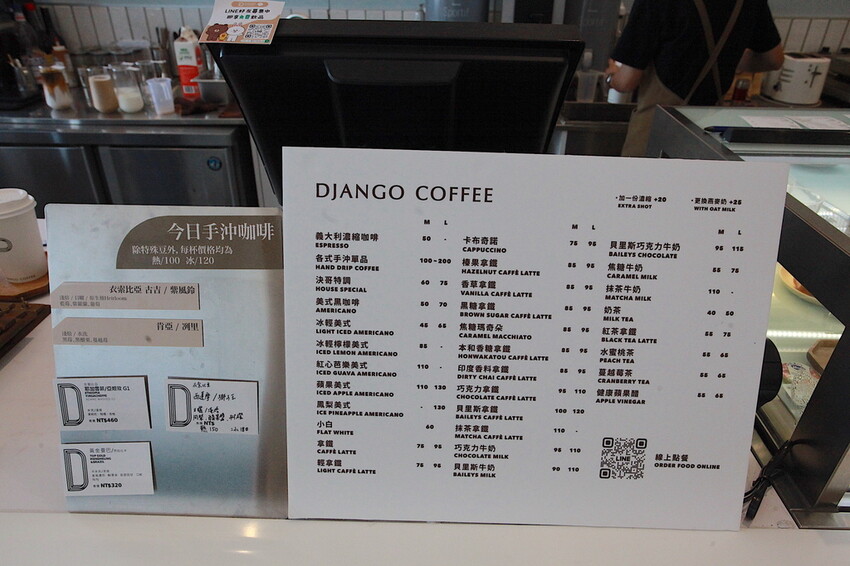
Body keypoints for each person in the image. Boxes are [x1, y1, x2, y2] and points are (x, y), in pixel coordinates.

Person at [606, 0, 784, 156]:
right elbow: (773, 60)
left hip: (657, 131)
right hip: (708, 132)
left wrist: (611, 77)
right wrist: (728, 59)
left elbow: (626, 82)